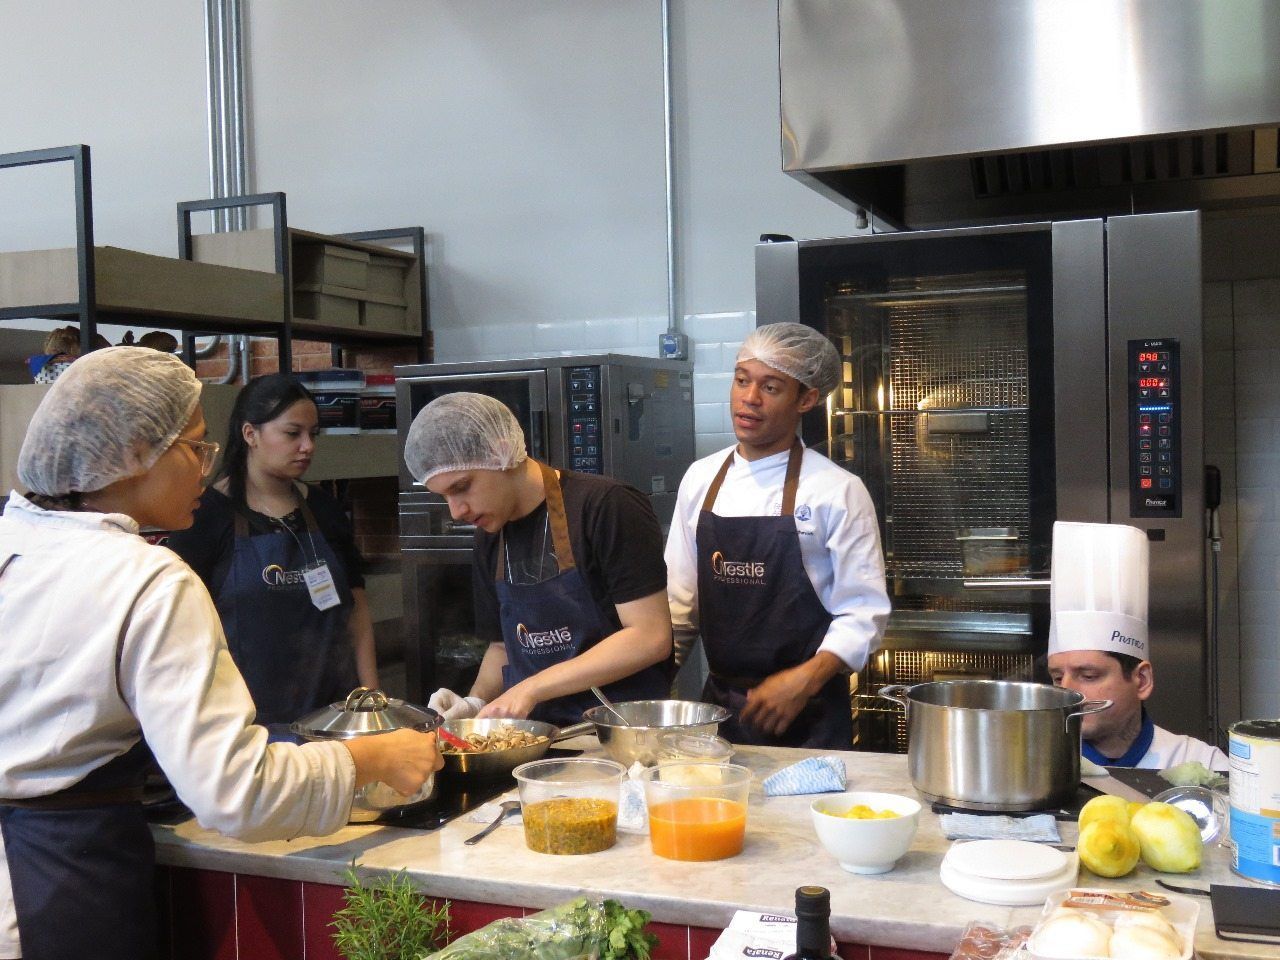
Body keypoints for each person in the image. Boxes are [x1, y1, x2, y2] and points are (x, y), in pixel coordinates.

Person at [0, 347, 441, 960]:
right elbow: (237, 790)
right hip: (66, 882)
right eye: (194, 447)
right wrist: (371, 757)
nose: (203, 470)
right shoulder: (149, 578)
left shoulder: (13, 539)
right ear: (132, 453)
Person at [665, 322, 891, 748]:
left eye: (771, 387)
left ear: (806, 398)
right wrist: (652, 691)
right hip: (719, 715)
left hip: (809, 714)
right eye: (741, 381)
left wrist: (804, 680)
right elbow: (680, 604)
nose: (749, 399)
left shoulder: (836, 490)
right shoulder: (701, 478)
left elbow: (864, 613)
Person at [404, 392, 673, 726]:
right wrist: (475, 704)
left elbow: (650, 636)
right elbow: (503, 648)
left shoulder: (606, 507)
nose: (456, 511)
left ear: (501, 453)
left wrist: (531, 688)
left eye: (462, 487)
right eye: (444, 496)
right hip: (534, 743)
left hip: (619, 738)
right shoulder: (490, 537)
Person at [167, 374, 378, 735]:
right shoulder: (206, 516)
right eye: (293, 433)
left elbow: (356, 611)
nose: (307, 446)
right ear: (250, 434)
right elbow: (184, 630)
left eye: (314, 434)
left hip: (335, 720)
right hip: (246, 727)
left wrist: (371, 699)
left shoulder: (325, 511)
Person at [1046, 520, 1227, 771]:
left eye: (1088, 675)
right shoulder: (1037, 768)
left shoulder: (1202, 764)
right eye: (1057, 678)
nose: (1066, 693)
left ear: (1141, 680)